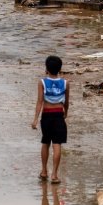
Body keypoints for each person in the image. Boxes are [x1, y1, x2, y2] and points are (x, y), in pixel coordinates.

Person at [32, 55, 69, 184]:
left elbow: (39, 101)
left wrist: (36, 119)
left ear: (46, 69)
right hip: (59, 115)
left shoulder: (42, 82)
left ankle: (44, 171)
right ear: (60, 69)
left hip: (46, 116)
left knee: (45, 142)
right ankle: (54, 174)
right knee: (57, 144)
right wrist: (66, 114)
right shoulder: (65, 83)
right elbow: (66, 102)